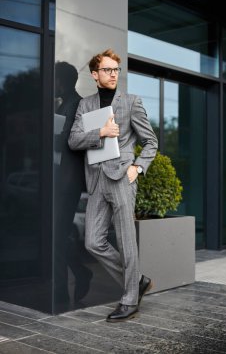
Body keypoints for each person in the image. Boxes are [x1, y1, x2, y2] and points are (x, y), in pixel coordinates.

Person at [68, 49, 158, 322]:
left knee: (127, 241)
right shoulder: (85, 105)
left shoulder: (131, 102)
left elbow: (151, 142)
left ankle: (130, 300)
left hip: (122, 178)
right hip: (96, 181)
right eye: (107, 70)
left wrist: (138, 167)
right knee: (93, 241)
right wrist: (101, 133)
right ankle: (138, 281)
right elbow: (73, 140)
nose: (113, 74)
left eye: (116, 70)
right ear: (95, 75)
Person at [54, 61, 93, 310]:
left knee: (56, 235)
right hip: (60, 179)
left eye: (54, 79)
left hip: (69, 182)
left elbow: (74, 143)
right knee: (55, 236)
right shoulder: (63, 105)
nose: (52, 84)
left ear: (63, 81)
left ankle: (60, 291)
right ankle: (77, 275)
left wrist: (51, 136)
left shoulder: (79, 105)